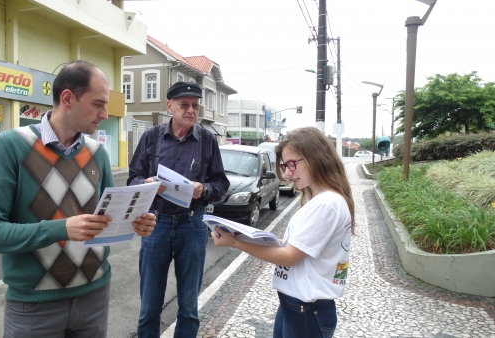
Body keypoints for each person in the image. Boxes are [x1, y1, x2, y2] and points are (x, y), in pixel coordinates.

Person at [0, 60, 157, 338]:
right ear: (68, 98)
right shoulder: (10, 146)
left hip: (95, 297)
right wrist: (61, 228)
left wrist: (136, 221)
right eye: (97, 104)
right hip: (34, 307)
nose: (104, 113)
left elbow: (105, 220)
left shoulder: (98, 153)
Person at [212, 126, 355, 338]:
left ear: (315, 158)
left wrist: (236, 242)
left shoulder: (326, 204)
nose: (288, 173)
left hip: (307, 311)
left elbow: (290, 258)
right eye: (285, 165)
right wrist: (261, 239)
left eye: (292, 164)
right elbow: (300, 247)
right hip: (295, 305)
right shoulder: (321, 200)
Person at [128, 81, 230, 338]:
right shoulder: (151, 137)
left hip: (192, 224)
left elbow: (221, 184)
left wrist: (203, 190)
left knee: (188, 306)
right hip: (156, 223)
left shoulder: (207, 140)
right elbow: (133, 179)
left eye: (195, 106)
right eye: (184, 105)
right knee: (149, 306)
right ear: (169, 106)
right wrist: (146, 183)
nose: (191, 110)